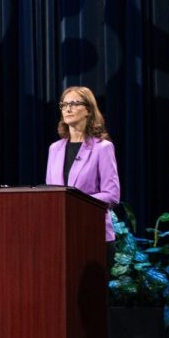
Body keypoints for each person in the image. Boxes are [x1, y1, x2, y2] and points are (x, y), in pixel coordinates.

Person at [45, 86, 120, 249]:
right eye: (64, 105)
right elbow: (50, 193)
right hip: (61, 235)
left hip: (93, 234)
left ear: (88, 110)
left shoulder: (102, 148)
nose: (68, 108)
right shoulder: (54, 149)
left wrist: (76, 202)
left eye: (74, 103)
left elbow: (112, 195)